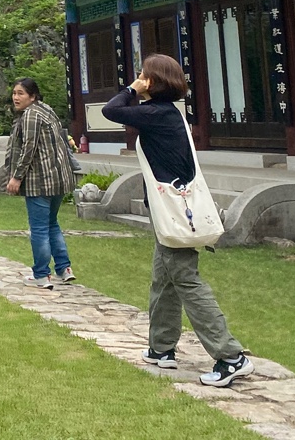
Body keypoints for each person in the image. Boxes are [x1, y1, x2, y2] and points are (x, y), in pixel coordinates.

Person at [103, 54, 253, 388]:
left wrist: (132, 88)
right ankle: (161, 347)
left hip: (174, 214)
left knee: (185, 279)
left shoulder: (156, 114)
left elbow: (111, 110)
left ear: (152, 82)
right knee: (164, 279)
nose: (139, 78)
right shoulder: (167, 114)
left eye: (143, 75)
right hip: (169, 212)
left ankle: (231, 356)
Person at [6, 77, 77, 288]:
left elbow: (28, 149)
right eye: (14, 93)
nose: (16, 97)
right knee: (52, 223)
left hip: (40, 181)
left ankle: (41, 274)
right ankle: (64, 268)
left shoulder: (31, 115)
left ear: (32, 96)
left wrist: (16, 177)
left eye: (21, 93)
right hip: (59, 179)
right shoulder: (46, 110)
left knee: (39, 229)